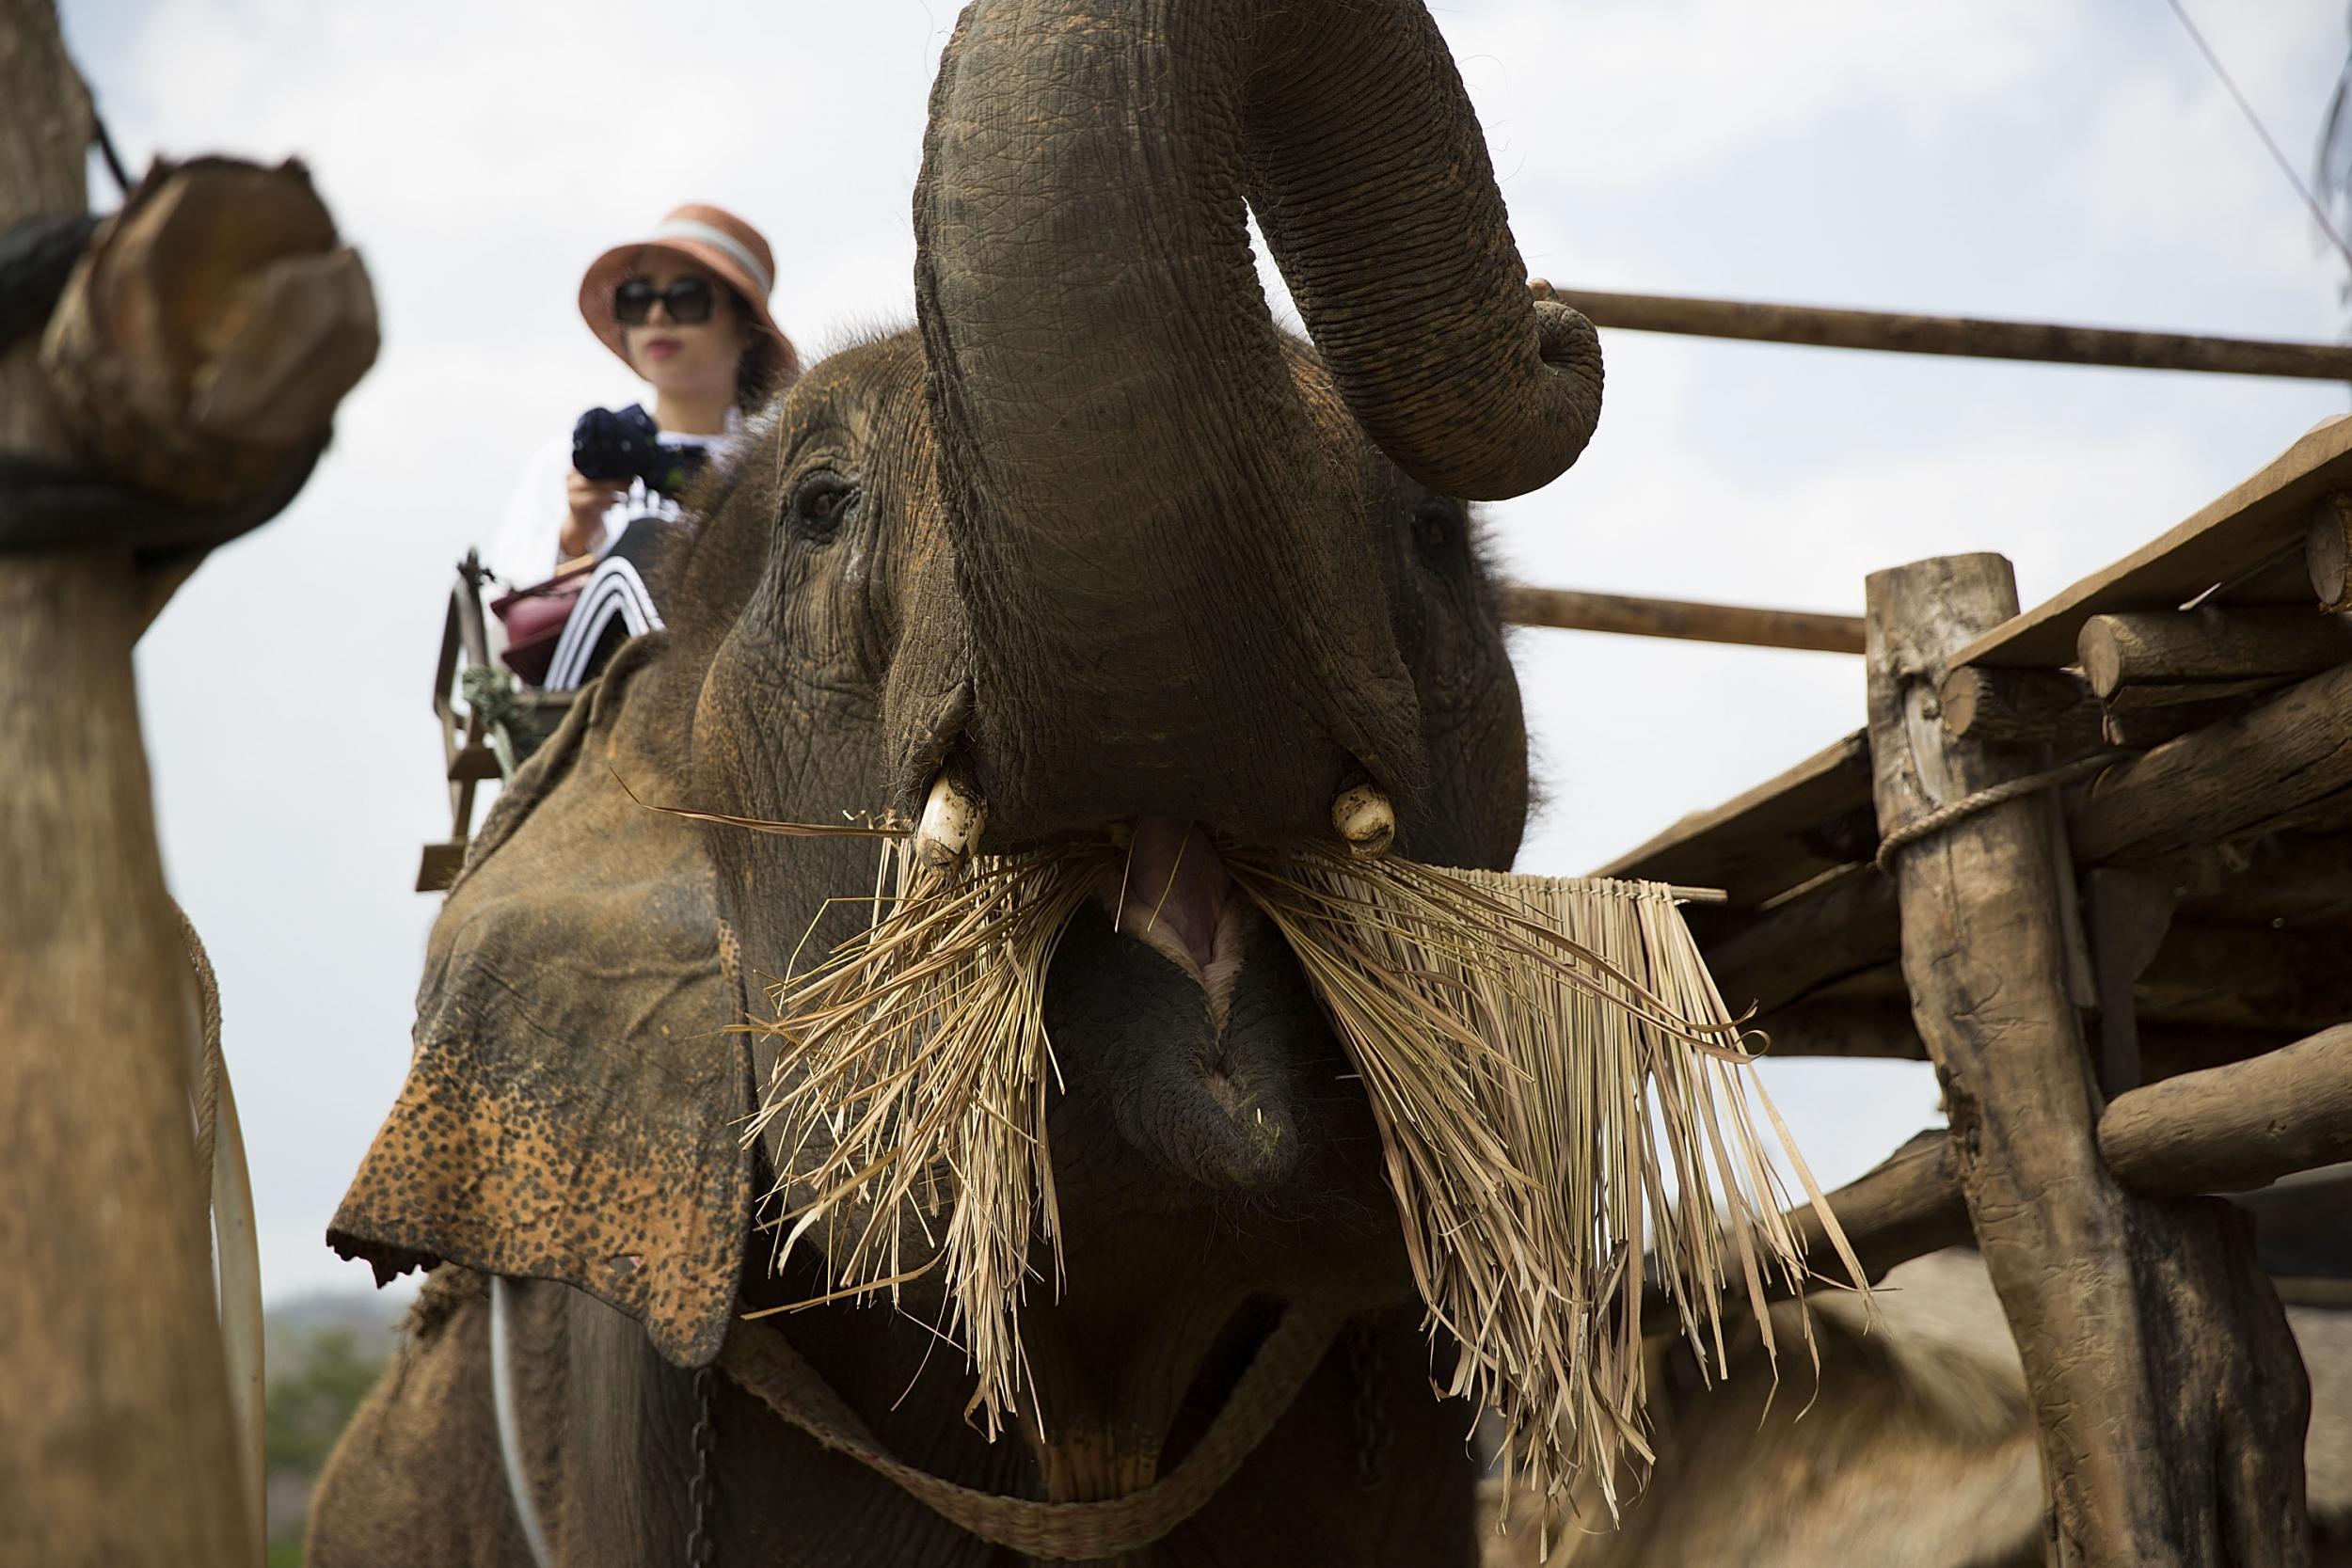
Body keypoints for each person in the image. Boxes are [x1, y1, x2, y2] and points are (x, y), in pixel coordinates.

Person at [486, 203, 798, 688]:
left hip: (749, 694)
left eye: (687, 298)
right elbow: (501, 630)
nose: (656, 315)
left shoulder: (782, 467)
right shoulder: (569, 460)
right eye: (636, 299)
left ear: (746, 330)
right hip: (592, 706)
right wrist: (575, 535)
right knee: (646, 540)